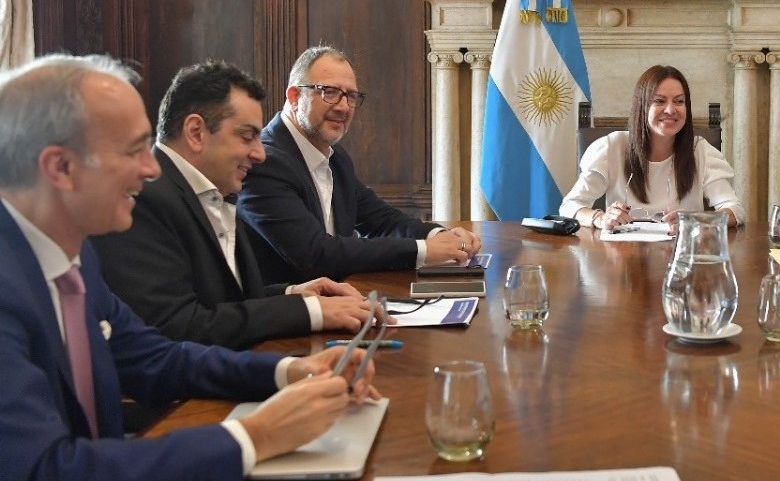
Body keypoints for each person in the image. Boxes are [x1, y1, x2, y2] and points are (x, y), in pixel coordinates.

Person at [0, 54, 379, 479]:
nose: (150, 168)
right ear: (61, 168)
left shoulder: (74, 256)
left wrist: (290, 371)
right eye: (133, 151)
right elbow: (42, 469)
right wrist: (256, 435)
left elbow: (158, 360)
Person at [90, 61, 386, 350]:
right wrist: (311, 313)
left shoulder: (213, 188)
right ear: (196, 132)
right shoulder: (144, 199)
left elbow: (224, 299)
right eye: (247, 137)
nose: (259, 154)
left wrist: (296, 293)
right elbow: (178, 327)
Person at [238, 46, 481, 283]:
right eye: (329, 92)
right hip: (290, 315)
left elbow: (380, 220)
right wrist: (424, 250)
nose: (343, 106)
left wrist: (439, 236)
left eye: (351, 96)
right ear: (294, 97)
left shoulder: (335, 157)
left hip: (344, 300)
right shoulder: (264, 162)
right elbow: (315, 254)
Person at [560, 65, 746, 230]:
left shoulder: (700, 151)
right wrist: (600, 218)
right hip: (622, 259)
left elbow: (735, 211)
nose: (671, 109)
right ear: (642, 106)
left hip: (681, 257)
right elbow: (570, 206)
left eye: (679, 101)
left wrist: (696, 220)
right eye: (659, 101)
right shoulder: (612, 147)